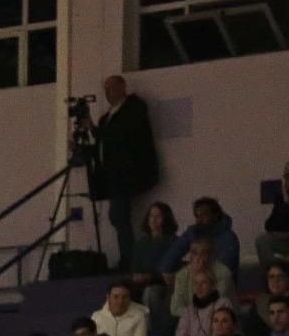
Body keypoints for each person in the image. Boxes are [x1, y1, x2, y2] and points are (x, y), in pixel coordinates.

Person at [81, 75, 160, 272]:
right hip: (114, 177)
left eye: (111, 88)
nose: (108, 93)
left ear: (122, 88)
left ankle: (130, 260)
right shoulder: (107, 117)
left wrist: (93, 129)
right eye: (106, 89)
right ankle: (129, 259)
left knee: (118, 215)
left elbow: (121, 136)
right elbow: (104, 145)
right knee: (118, 216)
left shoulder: (134, 108)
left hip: (128, 173)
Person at [161, 196, 240, 281]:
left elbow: (223, 271)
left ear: (216, 215)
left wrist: (187, 274)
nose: (199, 220)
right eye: (197, 216)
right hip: (194, 281)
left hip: (219, 286)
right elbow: (170, 259)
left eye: (204, 215)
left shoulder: (228, 238)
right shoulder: (194, 232)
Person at [130, 201, 178, 319]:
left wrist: (150, 277)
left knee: (151, 293)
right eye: (151, 216)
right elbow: (135, 266)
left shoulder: (174, 242)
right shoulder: (141, 243)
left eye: (158, 216)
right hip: (141, 283)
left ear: (166, 219)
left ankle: (154, 329)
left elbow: (174, 270)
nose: (153, 220)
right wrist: (137, 276)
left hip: (163, 284)